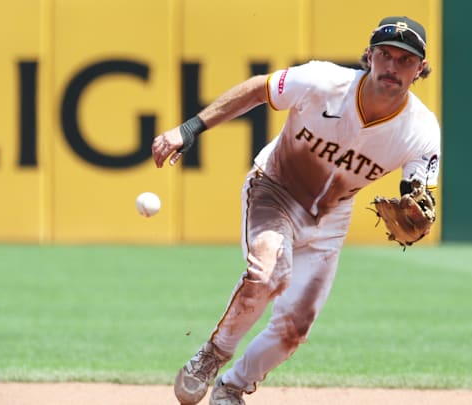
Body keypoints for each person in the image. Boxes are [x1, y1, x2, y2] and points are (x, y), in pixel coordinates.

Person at [151, 15, 441, 405]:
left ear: (420, 69)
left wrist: (417, 213)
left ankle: (231, 388)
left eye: (405, 60)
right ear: (369, 56)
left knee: (295, 329)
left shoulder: (421, 129)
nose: (392, 66)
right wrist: (187, 130)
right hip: (276, 190)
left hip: (332, 216)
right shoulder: (324, 82)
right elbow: (258, 90)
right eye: (385, 55)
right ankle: (212, 355)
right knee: (268, 271)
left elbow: (417, 192)